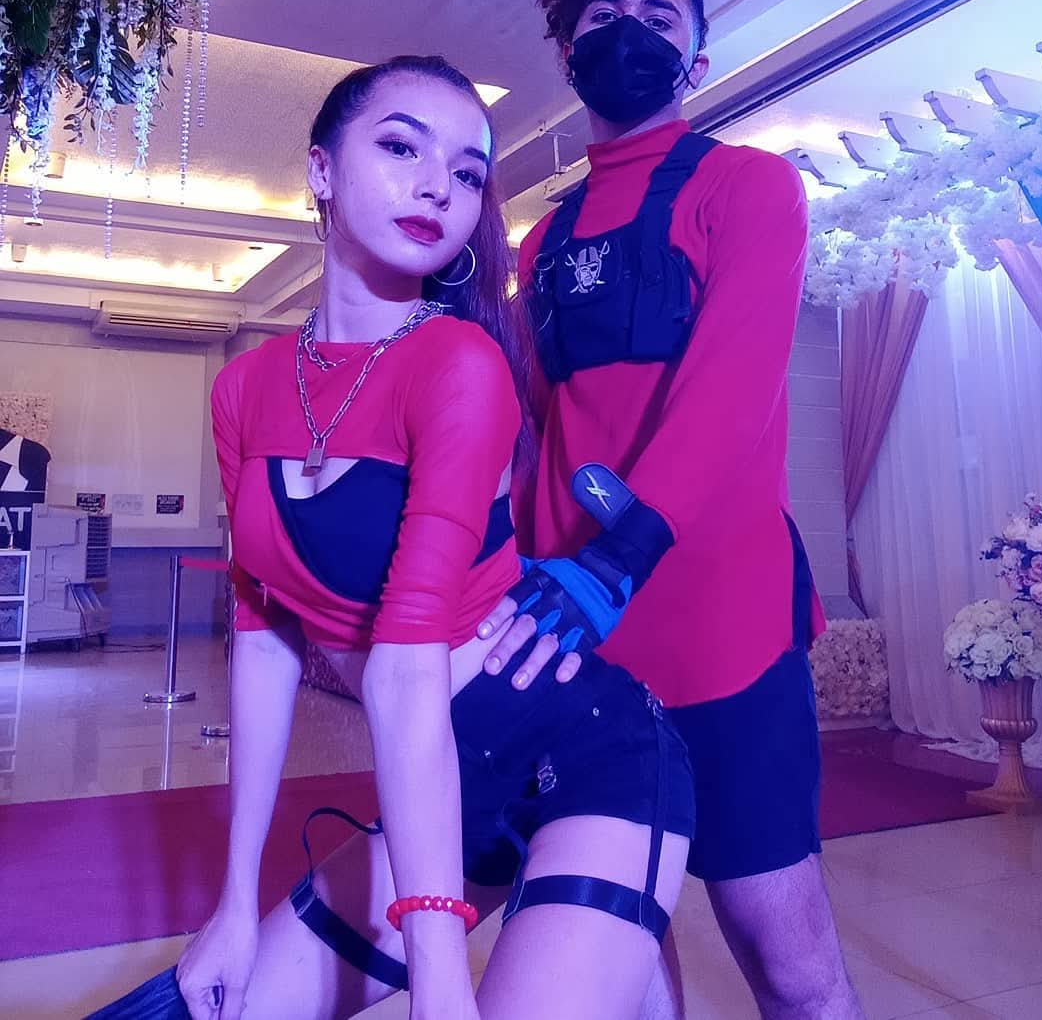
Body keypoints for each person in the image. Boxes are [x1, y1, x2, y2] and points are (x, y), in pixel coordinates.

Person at [88, 55, 694, 1020]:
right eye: (403, 148)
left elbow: (406, 666)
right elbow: (264, 637)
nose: (437, 187)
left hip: (589, 752)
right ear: (321, 170)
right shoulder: (244, 387)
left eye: (466, 172)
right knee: (216, 1007)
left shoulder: (460, 361)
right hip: (442, 783)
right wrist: (234, 906)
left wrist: (437, 972)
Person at [476, 0, 865, 1020]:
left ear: (696, 56)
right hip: (578, 638)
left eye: (658, 16)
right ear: (567, 52)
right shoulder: (541, 241)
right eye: (603, 16)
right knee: (622, 963)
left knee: (791, 967)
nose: (629, 34)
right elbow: (536, 433)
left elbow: (728, 398)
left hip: (721, 629)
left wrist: (617, 559)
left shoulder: (751, 187)